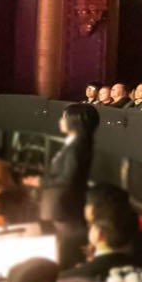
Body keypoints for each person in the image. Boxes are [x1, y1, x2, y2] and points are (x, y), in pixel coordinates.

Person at [41, 103, 96, 267]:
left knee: (68, 248)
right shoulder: (74, 143)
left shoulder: (77, 146)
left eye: (64, 118)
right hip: (64, 203)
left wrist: (42, 182)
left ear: (75, 121)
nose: (61, 121)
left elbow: (69, 178)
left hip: (66, 205)